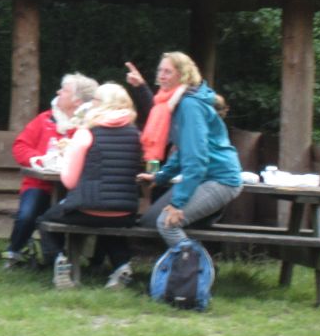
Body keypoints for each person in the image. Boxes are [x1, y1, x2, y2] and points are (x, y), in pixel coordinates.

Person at [35, 82, 143, 288]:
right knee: (110, 223)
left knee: (45, 220)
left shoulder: (87, 133)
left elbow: (69, 181)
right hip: (125, 211)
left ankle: (60, 261)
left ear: (102, 104)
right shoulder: (135, 135)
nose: (90, 104)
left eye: (94, 100)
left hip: (87, 209)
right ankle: (122, 267)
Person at [132, 51, 243, 249]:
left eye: (168, 71)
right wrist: (161, 176)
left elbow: (196, 159)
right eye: (160, 70)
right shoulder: (174, 103)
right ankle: (191, 260)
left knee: (166, 223)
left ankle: (194, 269)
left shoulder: (189, 105)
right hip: (204, 177)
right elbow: (184, 150)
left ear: (183, 76)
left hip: (220, 180)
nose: (162, 75)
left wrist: (178, 203)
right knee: (149, 221)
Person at [4, 73, 98, 266]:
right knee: (27, 214)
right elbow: (20, 146)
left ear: (77, 100)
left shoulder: (90, 126)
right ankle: (13, 252)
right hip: (39, 183)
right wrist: (37, 159)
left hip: (75, 187)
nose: (58, 92)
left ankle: (60, 258)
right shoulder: (45, 119)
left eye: (64, 90)